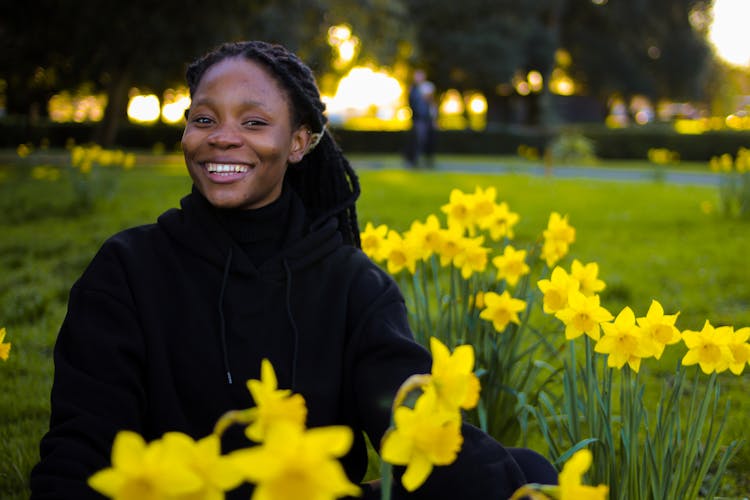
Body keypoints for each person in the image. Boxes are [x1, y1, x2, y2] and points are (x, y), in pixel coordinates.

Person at [30, 41, 557, 499]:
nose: (222, 137)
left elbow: (410, 424)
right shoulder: (127, 269)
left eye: (254, 122)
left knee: (526, 474)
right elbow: (83, 444)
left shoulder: (353, 284)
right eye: (204, 118)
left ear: (299, 142)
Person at [405, 69, 437, 169]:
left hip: (427, 119)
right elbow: (412, 104)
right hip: (418, 119)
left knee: (428, 139)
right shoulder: (413, 89)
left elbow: (431, 105)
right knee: (418, 139)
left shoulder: (426, 88)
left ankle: (427, 159)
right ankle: (413, 160)